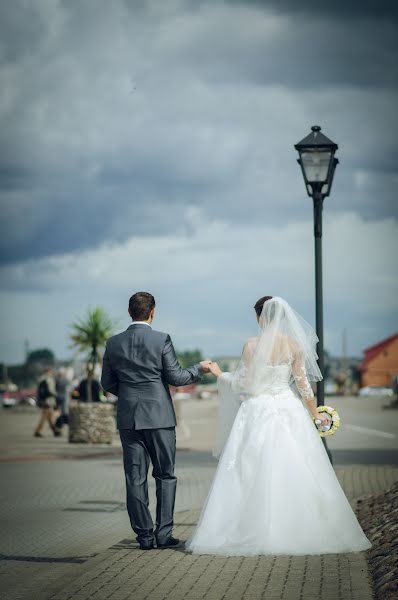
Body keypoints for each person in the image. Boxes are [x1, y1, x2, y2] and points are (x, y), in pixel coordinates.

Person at [186, 296, 371, 556]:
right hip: (288, 408)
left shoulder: (251, 345)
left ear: (259, 317)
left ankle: (249, 528)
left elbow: (245, 384)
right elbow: (304, 385)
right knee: (296, 465)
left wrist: (219, 375)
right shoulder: (295, 345)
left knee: (249, 468)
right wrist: (315, 414)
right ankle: (301, 528)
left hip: (257, 410)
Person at [101, 291, 211, 550]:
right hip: (160, 417)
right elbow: (177, 378)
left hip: (129, 418)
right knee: (165, 476)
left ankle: (144, 537)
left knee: (135, 477)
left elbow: (107, 383)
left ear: (129, 312)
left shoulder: (113, 343)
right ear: (153, 311)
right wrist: (199, 368)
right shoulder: (161, 339)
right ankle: (163, 534)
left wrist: (129, 395)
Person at [34, 367, 59, 437]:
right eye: (51, 371)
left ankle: (55, 431)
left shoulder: (41, 379)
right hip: (48, 400)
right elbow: (51, 390)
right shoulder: (48, 379)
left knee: (49, 416)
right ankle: (37, 431)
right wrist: (55, 394)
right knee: (44, 416)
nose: (52, 373)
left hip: (44, 400)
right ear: (48, 372)